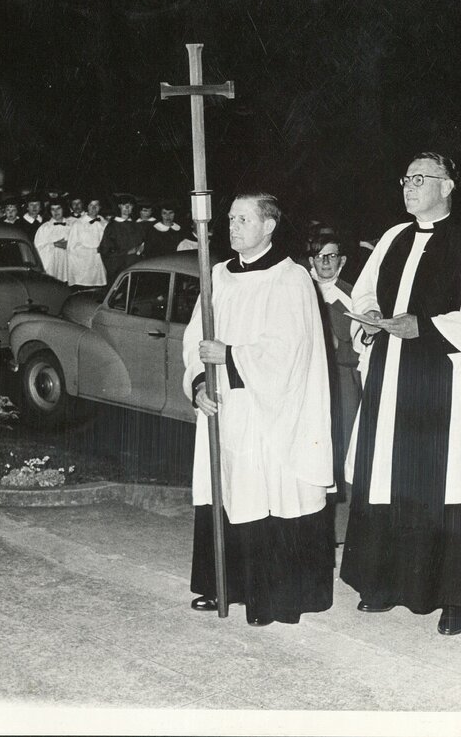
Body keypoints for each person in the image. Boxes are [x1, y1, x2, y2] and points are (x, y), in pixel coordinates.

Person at [340, 151, 461, 636]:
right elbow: (366, 294)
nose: (409, 187)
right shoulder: (393, 238)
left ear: (449, 185)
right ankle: (381, 583)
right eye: (406, 178)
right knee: (385, 478)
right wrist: (371, 320)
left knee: (444, 484)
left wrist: (425, 327)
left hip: (445, 379)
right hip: (390, 376)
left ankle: (453, 597)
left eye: (421, 179)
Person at [183, 192, 335, 625]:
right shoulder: (217, 276)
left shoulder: (290, 279)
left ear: (268, 226)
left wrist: (227, 355)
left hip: (270, 412)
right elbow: (194, 338)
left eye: (242, 219)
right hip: (222, 405)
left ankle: (270, 598)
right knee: (223, 491)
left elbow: (291, 350)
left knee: (264, 494)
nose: (231, 227)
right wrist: (198, 381)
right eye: (230, 219)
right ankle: (223, 586)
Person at [307, 234, 361, 504]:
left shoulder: (354, 296)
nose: (325, 261)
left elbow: (367, 348)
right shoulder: (299, 289)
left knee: (341, 443)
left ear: (342, 260)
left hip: (341, 381)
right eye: (319, 256)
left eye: (331, 255)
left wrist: (339, 347)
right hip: (304, 380)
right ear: (310, 261)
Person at [99, 193, 145, 284]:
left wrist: (141, 248)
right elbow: (105, 250)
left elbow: (141, 243)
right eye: (124, 205)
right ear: (119, 206)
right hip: (120, 267)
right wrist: (126, 252)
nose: (127, 208)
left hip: (135, 265)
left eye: (130, 205)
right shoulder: (112, 226)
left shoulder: (136, 225)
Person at [66, 197, 108, 291]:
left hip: (100, 269)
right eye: (91, 205)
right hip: (84, 271)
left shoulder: (104, 223)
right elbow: (72, 248)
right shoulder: (78, 224)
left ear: (100, 207)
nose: (94, 208)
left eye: (96, 205)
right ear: (87, 207)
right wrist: (93, 250)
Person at [33, 201, 70, 282]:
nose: (56, 212)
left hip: (68, 266)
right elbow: (37, 248)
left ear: (63, 209)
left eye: (58, 208)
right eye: (53, 209)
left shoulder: (72, 225)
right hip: (51, 267)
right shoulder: (44, 228)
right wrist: (54, 244)